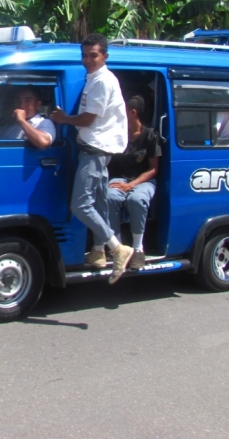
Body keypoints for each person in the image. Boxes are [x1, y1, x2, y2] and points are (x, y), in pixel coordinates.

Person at [50, 34, 131, 284]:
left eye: (93, 55)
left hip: (95, 150)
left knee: (81, 205)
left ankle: (117, 248)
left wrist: (64, 119)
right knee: (99, 203)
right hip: (95, 148)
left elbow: (87, 119)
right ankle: (98, 252)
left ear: (104, 56)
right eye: (84, 55)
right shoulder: (94, 78)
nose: (87, 60)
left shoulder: (103, 81)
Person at [107, 95, 161, 270]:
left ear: (132, 112)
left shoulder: (150, 136)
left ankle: (138, 249)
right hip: (120, 178)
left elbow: (153, 169)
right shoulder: (118, 133)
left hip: (144, 179)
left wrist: (131, 185)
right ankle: (118, 249)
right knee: (109, 197)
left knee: (136, 199)